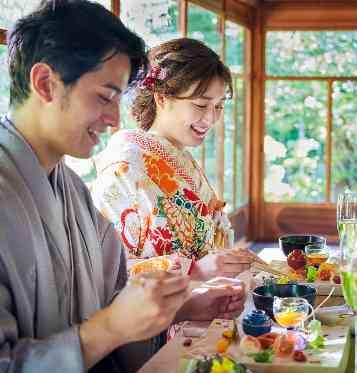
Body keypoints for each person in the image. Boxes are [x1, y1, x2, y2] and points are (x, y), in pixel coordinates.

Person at [0, 2, 246, 373]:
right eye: (103, 96)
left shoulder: (72, 191)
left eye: (118, 99)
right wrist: (110, 329)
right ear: (45, 84)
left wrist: (186, 305)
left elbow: (113, 296)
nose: (115, 117)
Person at [92, 38, 263, 280]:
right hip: (153, 313)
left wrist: (231, 260)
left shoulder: (181, 158)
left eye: (219, 107)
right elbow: (104, 271)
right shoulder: (125, 167)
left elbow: (206, 248)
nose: (211, 118)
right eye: (201, 105)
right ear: (162, 98)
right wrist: (194, 271)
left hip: (202, 303)